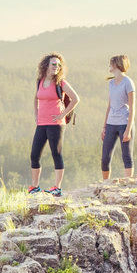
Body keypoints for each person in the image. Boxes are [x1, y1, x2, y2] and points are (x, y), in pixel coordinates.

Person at [28, 52, 79, 195]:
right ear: (46, 65)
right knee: (34, 155)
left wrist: (62, 114)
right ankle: (35, 186)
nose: (56, 67)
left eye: (58, 65)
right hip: (41, 123)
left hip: (56, 124)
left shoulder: (61, 82)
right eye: (53, 64)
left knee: (56, 153)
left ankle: (57, 187)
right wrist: (36, 114)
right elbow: (36, 98)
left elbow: (76, 99)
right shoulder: (40, 81)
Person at [101, 56, 136, 183]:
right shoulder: (111, 83)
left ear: (117, 65)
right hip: (111, 123)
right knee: (105, 157)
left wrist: (128, 129)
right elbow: (109, 105)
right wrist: (104, 126)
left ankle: (128, 183)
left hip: (124, 123)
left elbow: (132, 108)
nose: (109, 66)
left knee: (126, 155)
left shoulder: (128, 82)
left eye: (110, 63)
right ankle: (105, 183)